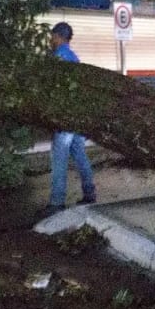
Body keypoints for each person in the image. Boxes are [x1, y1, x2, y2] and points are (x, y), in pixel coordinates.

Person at [47, 21, 97, 213]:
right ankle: (89, 193)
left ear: (58, 36)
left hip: (65, 117)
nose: (51, 40)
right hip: (76, 115)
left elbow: (55, 88)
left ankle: (56, 202)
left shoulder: (58, 57)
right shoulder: (74, 57)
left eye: (52, 36)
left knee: (59, 158)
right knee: (79, 154)